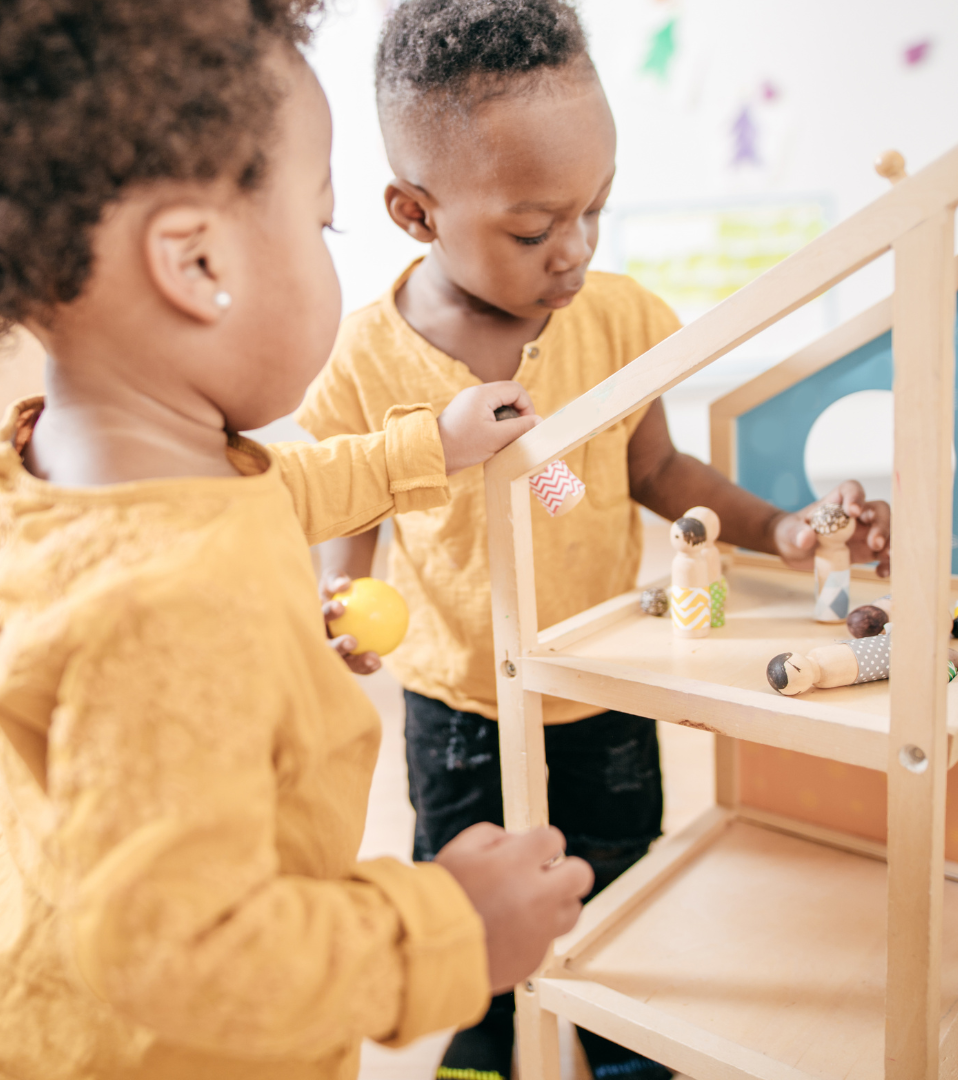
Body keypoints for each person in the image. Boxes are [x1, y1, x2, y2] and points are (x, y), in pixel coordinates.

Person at [0, 3, 595, 1078]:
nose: (332, 255)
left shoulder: (67, 479)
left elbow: (283, 488)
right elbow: (185, 947)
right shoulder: (172, 600)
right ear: (195, 267)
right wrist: (448, 923)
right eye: (323, 226)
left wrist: (432, 447)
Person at [301, 2, 892, 1078]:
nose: (572, 251)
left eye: (596, 212)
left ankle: (621, 1048)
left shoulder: (619, 321)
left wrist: (782, 529)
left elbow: (659, 472)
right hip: (461, 703)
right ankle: (482, 1045)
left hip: (605, 682)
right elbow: (351, 501)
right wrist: (343, 597)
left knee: (620, 900)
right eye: (534, 230)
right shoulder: (364, 360)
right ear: (413, 211)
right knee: (472, 906)